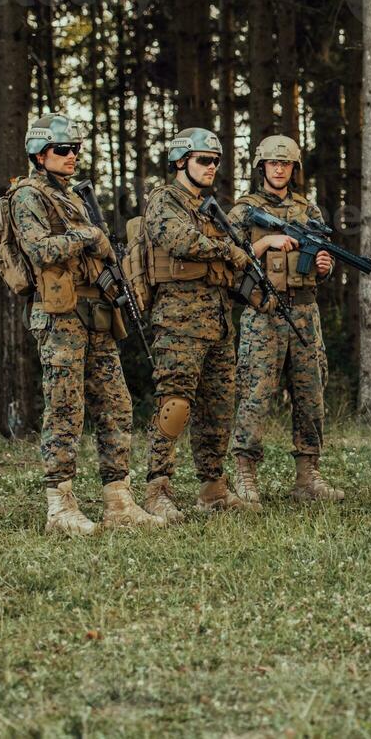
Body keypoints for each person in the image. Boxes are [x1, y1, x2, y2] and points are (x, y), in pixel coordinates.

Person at [9, 113, 164, 535]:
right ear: (39, 154)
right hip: (59, 317)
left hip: (95, 314)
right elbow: (39, 250)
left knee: (116, 403)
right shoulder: (28, 196)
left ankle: (119, 500)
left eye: (76, 148)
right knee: (64, 407)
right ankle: (60, 506)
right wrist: (87, 237)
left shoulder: (73, 197)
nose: (73, 155)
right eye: (64, 149)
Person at [137, 127, 253, 521]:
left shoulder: (211, 208)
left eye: (216, 161)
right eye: (204, 159)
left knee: (218, 409)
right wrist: (227, 250)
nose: (212, 167)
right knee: (175, 404)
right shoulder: (164, 200)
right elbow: (177, 239)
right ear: (181, 160)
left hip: (218, 321)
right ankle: (158, 489)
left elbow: (238, 257)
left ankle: (212, 488)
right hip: (178, 320)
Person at [226, 135, 344, 505]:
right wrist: (263, 245)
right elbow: (224, 258)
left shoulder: (309, 212)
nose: (279, 169)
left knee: (311, 394)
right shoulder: (244, 211)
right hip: (263, 315)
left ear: (295, 169)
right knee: (255, 395)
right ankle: (245, 474)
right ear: (261, 167)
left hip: (306, 312)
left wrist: (324, 266)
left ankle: (308, 477)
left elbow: (322, 263)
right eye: (273, 164)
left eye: (286, 164)